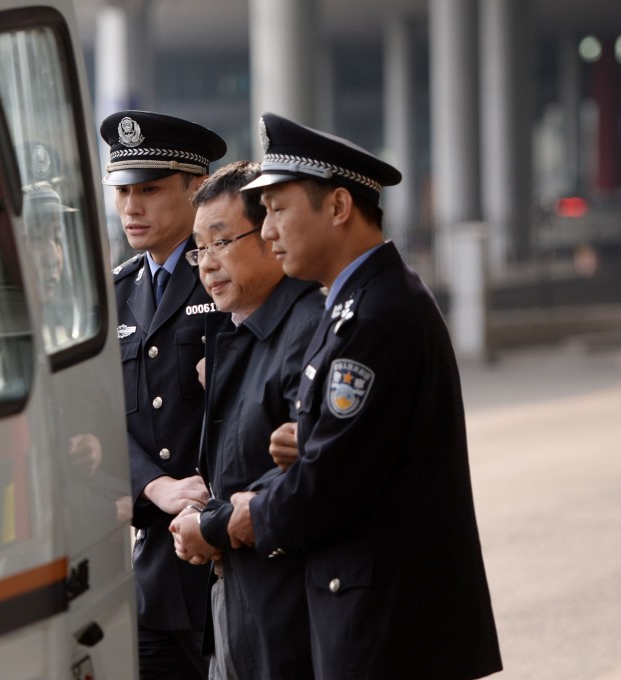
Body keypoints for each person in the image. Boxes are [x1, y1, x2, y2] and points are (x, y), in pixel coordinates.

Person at [225, 112, 503, 679]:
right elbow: (353, 447)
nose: (269, 230)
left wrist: (237, 518)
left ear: (337, 207)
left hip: (385, 627)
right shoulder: (355, 302)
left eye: (278, 210)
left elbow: (330, 483)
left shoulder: (375, 315)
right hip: (379, 616)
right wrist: (312, 443)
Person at [168, 160, 325, 680]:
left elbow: (308, 473)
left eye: (221, 242)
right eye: (199, 249)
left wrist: (210, 527)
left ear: (269, 236)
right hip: (241, 603)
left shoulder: (306, 332)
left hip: (288, 612)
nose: (207, 264)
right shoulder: (241, 334)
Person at [101, 110, 226, 679]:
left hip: (227, 551)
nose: (131, 207)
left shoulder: (228, 278)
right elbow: (97, 417)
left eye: (149, 190)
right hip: (156, 567)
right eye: (123, 191)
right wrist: (155, 484)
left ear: (196, 186)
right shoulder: (118, 291)